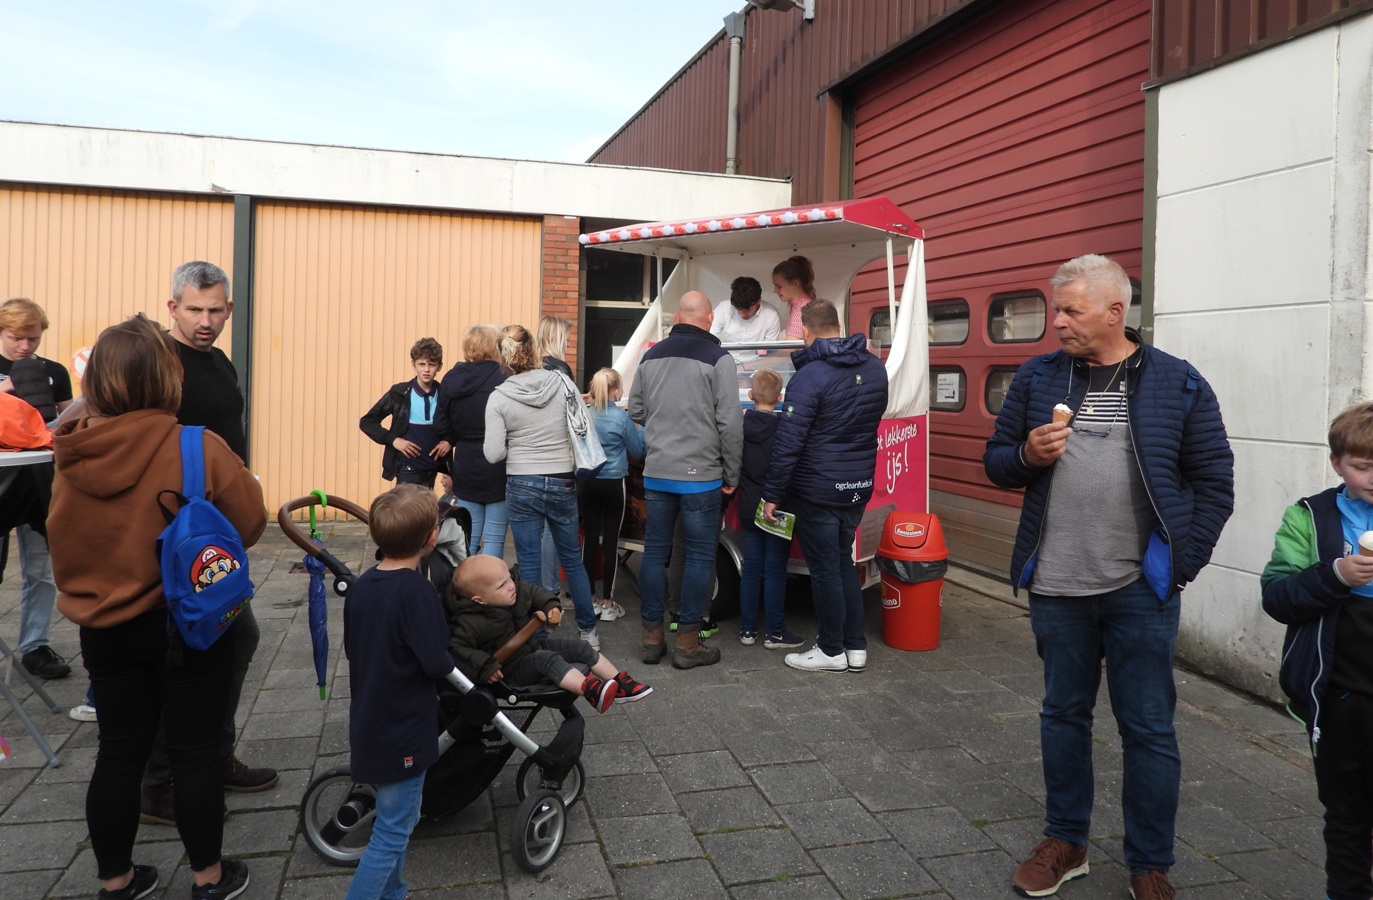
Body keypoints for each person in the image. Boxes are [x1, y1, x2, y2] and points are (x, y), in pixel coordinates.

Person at [983, 254, 1234, 900]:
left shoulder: (1176, 382)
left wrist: (1177, 565)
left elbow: (1213, 483)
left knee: (1147, 728)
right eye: (1057, 310)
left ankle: (1149, 864)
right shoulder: (1038, 377)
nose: (1057, 322)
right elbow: (996, 462)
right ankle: (1066, 841)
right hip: (1056, 585)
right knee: (1063, 714)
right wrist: (1025, 454)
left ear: (1114, 311)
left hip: (1138, 592)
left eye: (1071, 310)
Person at [50, 313, 265, 900]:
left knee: (119, 754)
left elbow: (60, 537)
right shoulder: (194, 444)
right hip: (185, 625)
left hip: (104, 627)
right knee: (196, 753)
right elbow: (249, 524)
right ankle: (208, 879)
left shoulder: (71, 451)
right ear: (170, 378)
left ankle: (117, 881)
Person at [144, 260, 276, 826]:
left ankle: (213, 756)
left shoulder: (219, 361)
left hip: (216, 532)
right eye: (195, 309)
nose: (205, 320)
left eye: (215, 310)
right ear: (172, 307)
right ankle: (158, 783)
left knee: (235, 637)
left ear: (229, 309)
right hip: (176, 533)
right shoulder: (156, 364)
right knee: (181, 652)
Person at [1261, 401, 1373, 900]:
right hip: (1340, 695)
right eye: (1362, 466)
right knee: (1346, 812)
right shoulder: (1311, 517)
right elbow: (1277, 597)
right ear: (1336, 464)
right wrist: (1335, 576)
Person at [761, 300, 886, 673]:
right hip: (858, 484)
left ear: (806, 332)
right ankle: (855, 646)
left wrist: (772, 494)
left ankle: (831, 649)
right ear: (839, 325)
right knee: (843, 561)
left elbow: (789, 443)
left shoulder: (809, 376)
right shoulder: (875, 368)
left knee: (825, 570)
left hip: (818, 488)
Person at [343, 485, 454, 900]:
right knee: (392, 831)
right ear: (432, 537)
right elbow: (437, 662)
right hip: (403, 727)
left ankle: (394, 893)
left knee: (400, 820)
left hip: (370, 720)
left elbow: (354, 647)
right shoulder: (417, 592)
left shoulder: (362, 586)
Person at [628, 290, 742, 669]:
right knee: (698, 557)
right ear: (710, 319)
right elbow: (730, 423)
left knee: (654, 554)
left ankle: (651, 639)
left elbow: (636, 409)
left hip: (658, 473)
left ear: (677, 318)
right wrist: (732, 472)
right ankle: (688, 645)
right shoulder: (719, 359)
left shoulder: (650, 356)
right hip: (702, 476)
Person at [483, 325, 601, 648]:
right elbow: (583, 425)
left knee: (529, 564)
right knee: (572, 559)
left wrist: (517, 444)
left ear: (504, 358)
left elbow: (493, 453)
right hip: (562, 479)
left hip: (522, 483)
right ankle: (589, 632)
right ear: (534, 349)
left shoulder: (499, 397)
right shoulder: (562, 383)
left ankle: (535, 637)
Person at [446, 555, 651, 712]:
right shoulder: (469, 622)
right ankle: (590, 690)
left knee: (579, 646)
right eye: (502, 585)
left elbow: (536, 593)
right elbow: (458, 651)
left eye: (509, 579)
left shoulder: (514, 591)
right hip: (510, 670)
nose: (511, 586)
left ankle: (620, 684)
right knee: (546, 659)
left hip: (530, 647)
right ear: (480, 600)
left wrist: (551, 606)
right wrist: (485, 666)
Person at [0, 297, 73, 680]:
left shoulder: (54, 372)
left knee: (40, 570)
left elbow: (68, 421)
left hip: (40, 481)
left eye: (33, 338)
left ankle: (35, 645)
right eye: (17, 338)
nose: (25, 346)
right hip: (2, 482)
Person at [736, 369, 803, 649]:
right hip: (778, 507)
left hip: (748, 504)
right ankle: (774, 632)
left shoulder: (740, 426)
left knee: (751, 568)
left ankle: (747, 630)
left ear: (751, 395)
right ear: (780, 397)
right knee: (775, 570)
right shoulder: (784, 430)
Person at [434, 325, 508, 557]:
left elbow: (440, 423)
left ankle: (465, 578)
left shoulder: (451, 378)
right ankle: (490, 579)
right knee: (495, 537)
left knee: (468, 535)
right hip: (498, 461)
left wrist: (453, 438)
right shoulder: (504, 376)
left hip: (465, 461)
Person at [579, 368, 644, 623]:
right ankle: (608, 602)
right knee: (610, 542)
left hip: (587, 481)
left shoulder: (585, 414)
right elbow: (638, 451)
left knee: (589, 540)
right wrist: (640, 429)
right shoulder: (621, 418)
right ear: (615, 390)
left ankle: (590, 599)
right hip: (614, 482)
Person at [359, 337, 451, 489]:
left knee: (426, 504)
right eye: (421, 364)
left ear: (439, 366)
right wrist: (394, 440)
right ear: (413, 364)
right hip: (407, 467)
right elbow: (367, 422)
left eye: (431, 364)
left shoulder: (444, 394)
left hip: (433, 468)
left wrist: (449, 441)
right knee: (407, 503)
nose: (426, 370)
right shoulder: (400, 393)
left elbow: (459, 424)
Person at [535, 315, 574, 597]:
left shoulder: (530, 368)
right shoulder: (561, 369)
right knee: (553, 530)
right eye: (566, 338)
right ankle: (551, 591)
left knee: (532, 531)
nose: (569, 343)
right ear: (555, 338)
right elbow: (569, 415)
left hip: (527, 459)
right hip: (556, 457)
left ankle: (534, 592)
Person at [710, 276, 782, 349]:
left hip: (757, 356)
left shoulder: (771, 315)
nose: (742, 315)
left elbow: (770, 349)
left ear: (758, 301)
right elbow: (710, 335)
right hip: (724, 354)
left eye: (746, 310)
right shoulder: (724, 308)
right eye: (738, 309)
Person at [772, 255, 817, 340]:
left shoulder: (802, 310)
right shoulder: (803, 305)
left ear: (795, 283)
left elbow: (789, 346)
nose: (775, 290)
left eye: (779, 286)